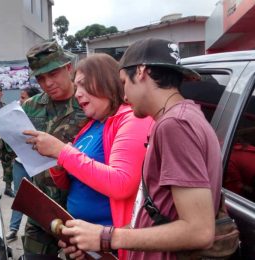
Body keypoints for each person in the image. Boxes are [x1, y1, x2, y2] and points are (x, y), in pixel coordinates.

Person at [59, 38, 222, 259]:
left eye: (124, 82)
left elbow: (199, 231)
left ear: (142, 72)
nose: (124, 96)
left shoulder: (175, 125)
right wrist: (96, 239)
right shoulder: (187, 115)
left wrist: (107, 237)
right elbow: (160, 212)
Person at [24, 53, 152, 259]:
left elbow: (121, 183)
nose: (77, 93)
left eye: (83, 85)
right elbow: (78, 181)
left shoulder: (131, 119)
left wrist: (61, 151)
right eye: (77, 86)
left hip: (116, 243)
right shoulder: (92, 124)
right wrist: (58, 168)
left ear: (105, 82)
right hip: (91, 245)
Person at [0, 39, 88, 256]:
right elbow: (7, 149)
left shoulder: (89, 101)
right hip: (42, 213)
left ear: (68, 68)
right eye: (41, 78)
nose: (47, 82)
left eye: (53, 74)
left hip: (82, 215)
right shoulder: (31, 107)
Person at [6, 86, 42, 242]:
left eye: (23, 97)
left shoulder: (42, 115)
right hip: (20, 163)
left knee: (38, 197)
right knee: (19, 195)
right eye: (20, 97)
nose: (20, 101)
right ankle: (13, 228)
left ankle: (37, 229)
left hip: (39, 164)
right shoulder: (17, 115)